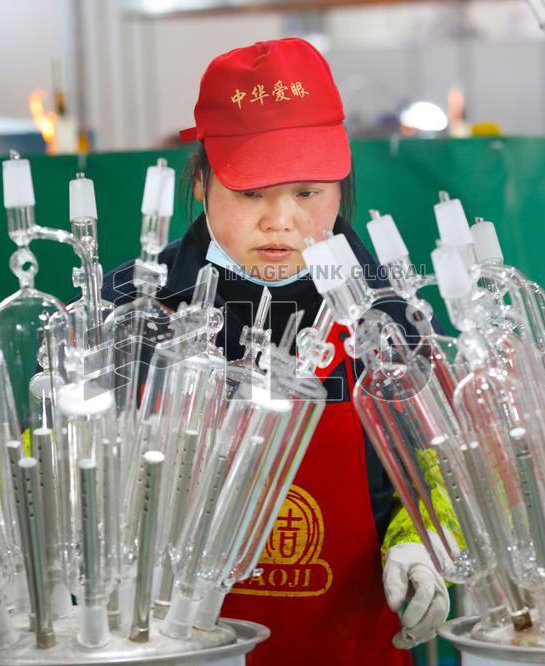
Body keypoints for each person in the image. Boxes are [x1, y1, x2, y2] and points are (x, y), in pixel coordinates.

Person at [101, 37, 456, 665]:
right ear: (203, 182)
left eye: (308, 193)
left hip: (351, 643)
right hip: (176, 649)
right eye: (250, 193)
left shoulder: (389, 313)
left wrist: (420, 544)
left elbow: (441, 471)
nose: (280, 221)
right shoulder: (135, 308)